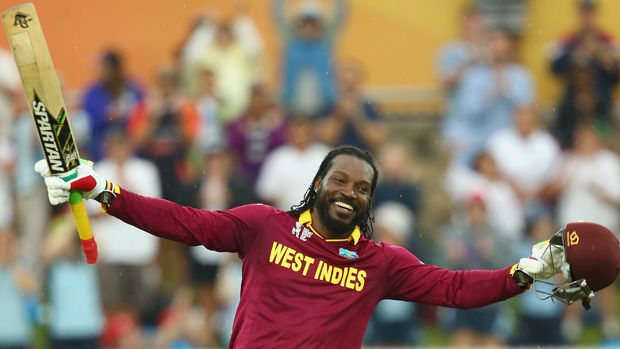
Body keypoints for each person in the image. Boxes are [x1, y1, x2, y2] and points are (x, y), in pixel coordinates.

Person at [34, 145, 588, 348]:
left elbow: (454, 289)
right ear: (318, 182)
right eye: (341, 180)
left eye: (363, 188)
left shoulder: (380, 263)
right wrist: (106, 191)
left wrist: (525, 270)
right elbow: (185, 223)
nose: (350, 193)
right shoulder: (262, 226)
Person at [549, 0, 619, 148]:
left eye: (590, 12)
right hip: (572, 97)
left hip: (601, 98)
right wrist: (576, 55)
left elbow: (615, 77)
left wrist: (606, 61)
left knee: (604, 114)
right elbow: (555, 68)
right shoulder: (569, 40)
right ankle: (565, 147)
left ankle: (603, 147)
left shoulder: (607, 42)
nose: (587, 17)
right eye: (583, 13)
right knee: (564, 113)